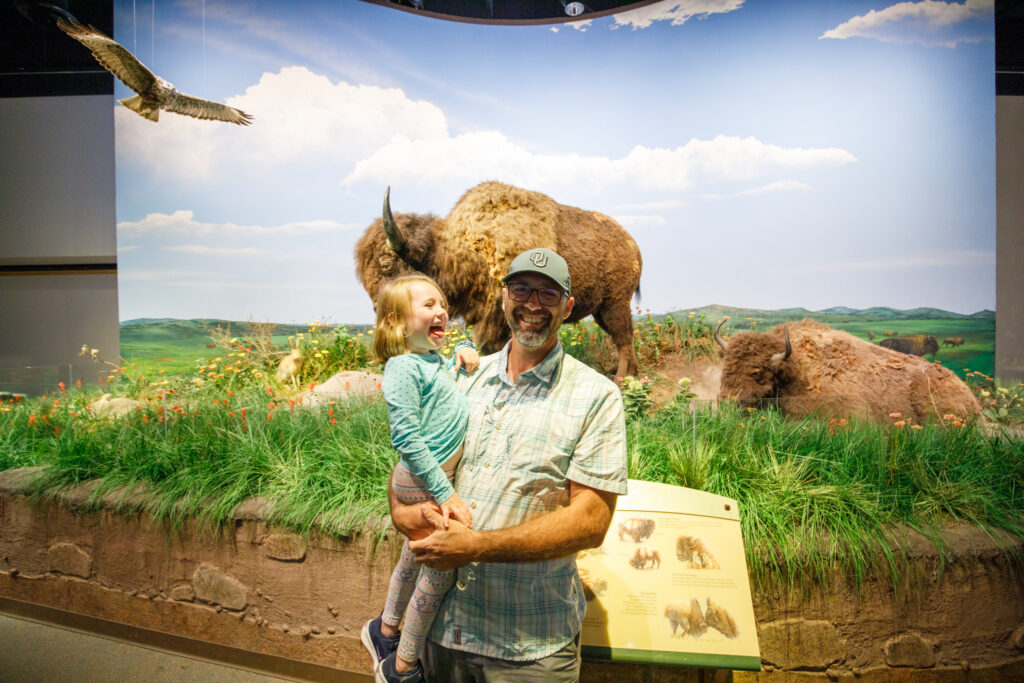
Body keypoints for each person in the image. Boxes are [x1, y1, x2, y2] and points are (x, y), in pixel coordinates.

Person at [389, 247, 628, 682]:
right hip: (441, 630)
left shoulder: (595, 397)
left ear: (569, 307)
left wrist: (477, 546)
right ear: (504, 298)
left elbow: (591, 522)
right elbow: (415, 462)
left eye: (548, 294)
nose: (532, 304)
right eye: (521, 289)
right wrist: (404, 512)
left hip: (529, 646)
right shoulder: (464, 375)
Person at [361, 273, 481, 683]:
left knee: (413, 558)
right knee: (438, 573)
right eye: (428, 305)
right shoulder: (401, 367)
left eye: (441, 303)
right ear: (396, 322)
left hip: (428, 478)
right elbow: (406, 438)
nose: (441, 310)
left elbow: (444, 380)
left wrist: (463, 348)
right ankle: (402, 667)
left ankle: (385, 630)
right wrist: (445, 493)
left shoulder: (429, 360)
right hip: (423, 480)